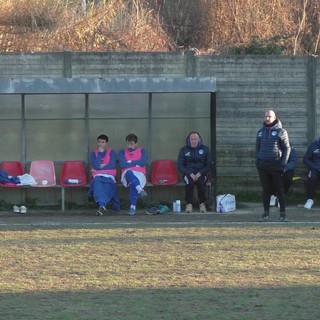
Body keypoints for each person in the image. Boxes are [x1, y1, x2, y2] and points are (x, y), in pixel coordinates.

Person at [255, 110, 291, 222]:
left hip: (276, 165)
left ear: (275, 117)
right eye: (266, 116)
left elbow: (287, 148)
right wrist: (257, 161)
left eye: (269, 116)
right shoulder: (260, 132)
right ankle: (266, 214)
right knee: (266, 190)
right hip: (263, 166)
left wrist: (283, 163)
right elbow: (257, 147)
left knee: (280, 190)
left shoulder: (281, 132)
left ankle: (283, 214)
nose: (267, 118)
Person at [177, 131, 212, 213]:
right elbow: (180, 166)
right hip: (189, 173)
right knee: (189, 182)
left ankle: (202, 203)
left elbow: (209, 165)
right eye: (192, 139)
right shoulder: (184, 150)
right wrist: (190, 173)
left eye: (195, 139)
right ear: (189, 140)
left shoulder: (206, 149)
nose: (193, 141)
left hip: (202, 173)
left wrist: (200, 173)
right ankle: (188, 204)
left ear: (199, 139)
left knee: (201, 183)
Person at [87, 134, 120, 216]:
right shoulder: (93, 154)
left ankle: (101, 204)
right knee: (98, 186)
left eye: (103, 142)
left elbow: (111, 165)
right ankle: (102, 205)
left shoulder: (111, 152)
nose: (101, 144)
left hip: (109, 175)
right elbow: (95, 166)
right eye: (99, 142)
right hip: (97, 176)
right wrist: (100, 155)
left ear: (106, 143)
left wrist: (99, 167)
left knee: (107, 186)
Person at [118, 133, 148, 216]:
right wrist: (136, 164)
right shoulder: (122, 152)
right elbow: (122, 164)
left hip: (140, 174)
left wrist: (130, 162)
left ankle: (132, 207)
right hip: (126, 174)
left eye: (131, 144)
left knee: (133, 182)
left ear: (136, 144)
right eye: (128, 143)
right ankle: (140, 190)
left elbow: (143, 162)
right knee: (129, 172)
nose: (129, 146)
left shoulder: (142, 150)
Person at [302, 137, 320, 209]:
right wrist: (313, 166)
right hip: (314, 169)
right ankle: (310, 199)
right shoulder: (313, 146)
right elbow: (305, 159)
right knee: (312, 177)